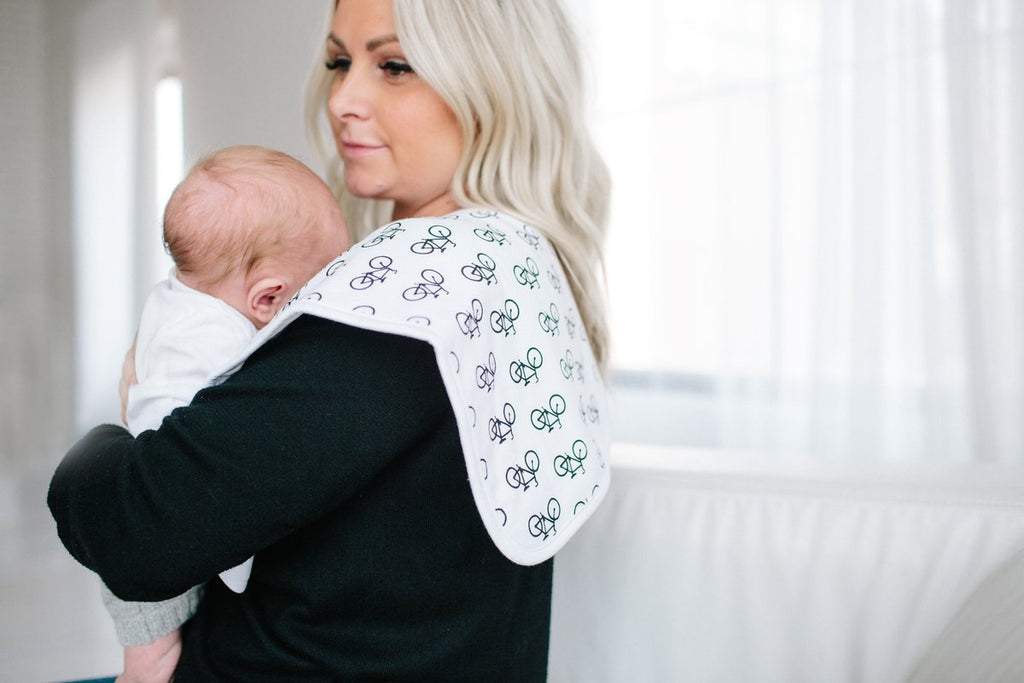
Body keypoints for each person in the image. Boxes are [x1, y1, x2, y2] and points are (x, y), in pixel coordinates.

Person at [49, 1, 612, 680]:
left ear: (494, 83)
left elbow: (141, 531)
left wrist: (109, 432)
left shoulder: (406, 301)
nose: (343, 99)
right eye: (340, 62)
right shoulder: (514, 264)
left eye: (394, 66)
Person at [101, 144, 351, 677]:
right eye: (319, 287)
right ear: (267, 298)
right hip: (150, 540)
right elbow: (171, 461)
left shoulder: (184, 294)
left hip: (146, 514)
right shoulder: (208, 339)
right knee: (155, 649)